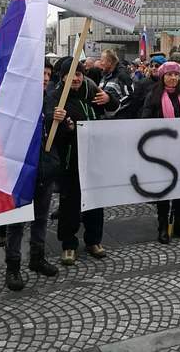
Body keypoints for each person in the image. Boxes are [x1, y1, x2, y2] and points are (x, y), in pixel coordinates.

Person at [5, 60, 69, 291]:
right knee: (16, 223)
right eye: (41, 73)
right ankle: (13, 266)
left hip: (46, 169)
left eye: (48, 73)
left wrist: (62, 124)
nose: (45, 77)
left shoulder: (51, 101)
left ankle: (37, 257)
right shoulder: (16, 103)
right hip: (22, 171)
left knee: (41, 218)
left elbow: (58, 138)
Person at [52, 59, 116, 265]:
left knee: (95, 203)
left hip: (94, 158)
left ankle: (93, 240)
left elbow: (113, 109)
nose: (76, 78)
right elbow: (49, 130)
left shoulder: (91, 94)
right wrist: (63, 127)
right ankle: (68, 245)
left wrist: (109, 99)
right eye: (71, 75)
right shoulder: (55, 98)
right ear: (63, 77)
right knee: (70, 205)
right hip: (70, 160)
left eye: (79, 74)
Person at [142, 61, 180, 243]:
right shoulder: (154, 96)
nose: (173, 78)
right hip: (163, 151)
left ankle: (179, 224)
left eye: (176, 74)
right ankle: (162, 226)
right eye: (169, 75)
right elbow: (145, 121)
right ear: (162, 77)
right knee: (164, 190)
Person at [99, 49, 134, 119]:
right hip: (107, 118)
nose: (101, 63)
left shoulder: (123, 76)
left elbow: (130, 96)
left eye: (102, 61)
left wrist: (115, 108)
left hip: (120, 118)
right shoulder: (104, 76)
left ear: (109, 62)